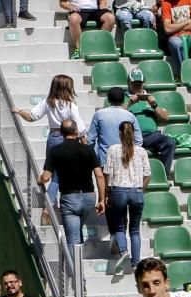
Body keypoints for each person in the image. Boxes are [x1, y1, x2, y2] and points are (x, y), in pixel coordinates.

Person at [12, 75, 88, 203]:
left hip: (53, 137)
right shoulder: (71, 106)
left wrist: (19, 111)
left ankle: (50, 204)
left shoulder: (48, 102)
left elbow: (32, 117)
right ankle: (55, 205)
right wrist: (85, 146)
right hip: (69, 139)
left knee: (55, 175)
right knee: (66, 175)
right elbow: (79, 128)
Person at [38, 119, 107, 247]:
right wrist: (101, 200)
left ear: (61, 133)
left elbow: (46, 177)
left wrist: (40, 179)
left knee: (73, 240)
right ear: (76, 131)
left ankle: (74, 267)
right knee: (77, 232)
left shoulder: (55, 151)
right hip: (89, 197)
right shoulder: (88, 150)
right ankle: (78, 264)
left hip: (70, 198)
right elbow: (99, 175)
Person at [105, 120, 151, 271]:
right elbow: (147, 175)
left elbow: (108, 173)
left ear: (119, 133)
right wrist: (140, 189)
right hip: (136, 190)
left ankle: (124, 251)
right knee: (135, 229)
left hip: (118, 190)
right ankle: (136, 262)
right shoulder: (141, 151)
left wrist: (107, 192)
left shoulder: (112, 150)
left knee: (119, 227)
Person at [126, 68, 178, 173]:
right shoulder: (124, 98)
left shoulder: (150, 98)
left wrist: (153, 104)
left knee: (169, 143)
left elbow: (165, 117)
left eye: (139, 83)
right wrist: (130, 103)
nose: (137, 85)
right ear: (129, 83)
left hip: (151, 136)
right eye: (134, 83)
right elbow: (116, 113)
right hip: (131, 136)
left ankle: (163, 174)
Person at [90, 87, 144, 166]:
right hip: (126, 161)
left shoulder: (99, 114)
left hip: (105, 160)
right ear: (123, 100)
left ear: (108, 99)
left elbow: (90, 140)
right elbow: (138, 141)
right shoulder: (130, 116)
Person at [162, 0, 191, 74]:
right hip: (175, 36)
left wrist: (176, 27)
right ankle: (183, 73)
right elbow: (167, 29)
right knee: (176, 43)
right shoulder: (166, 3)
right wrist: (186, 22)